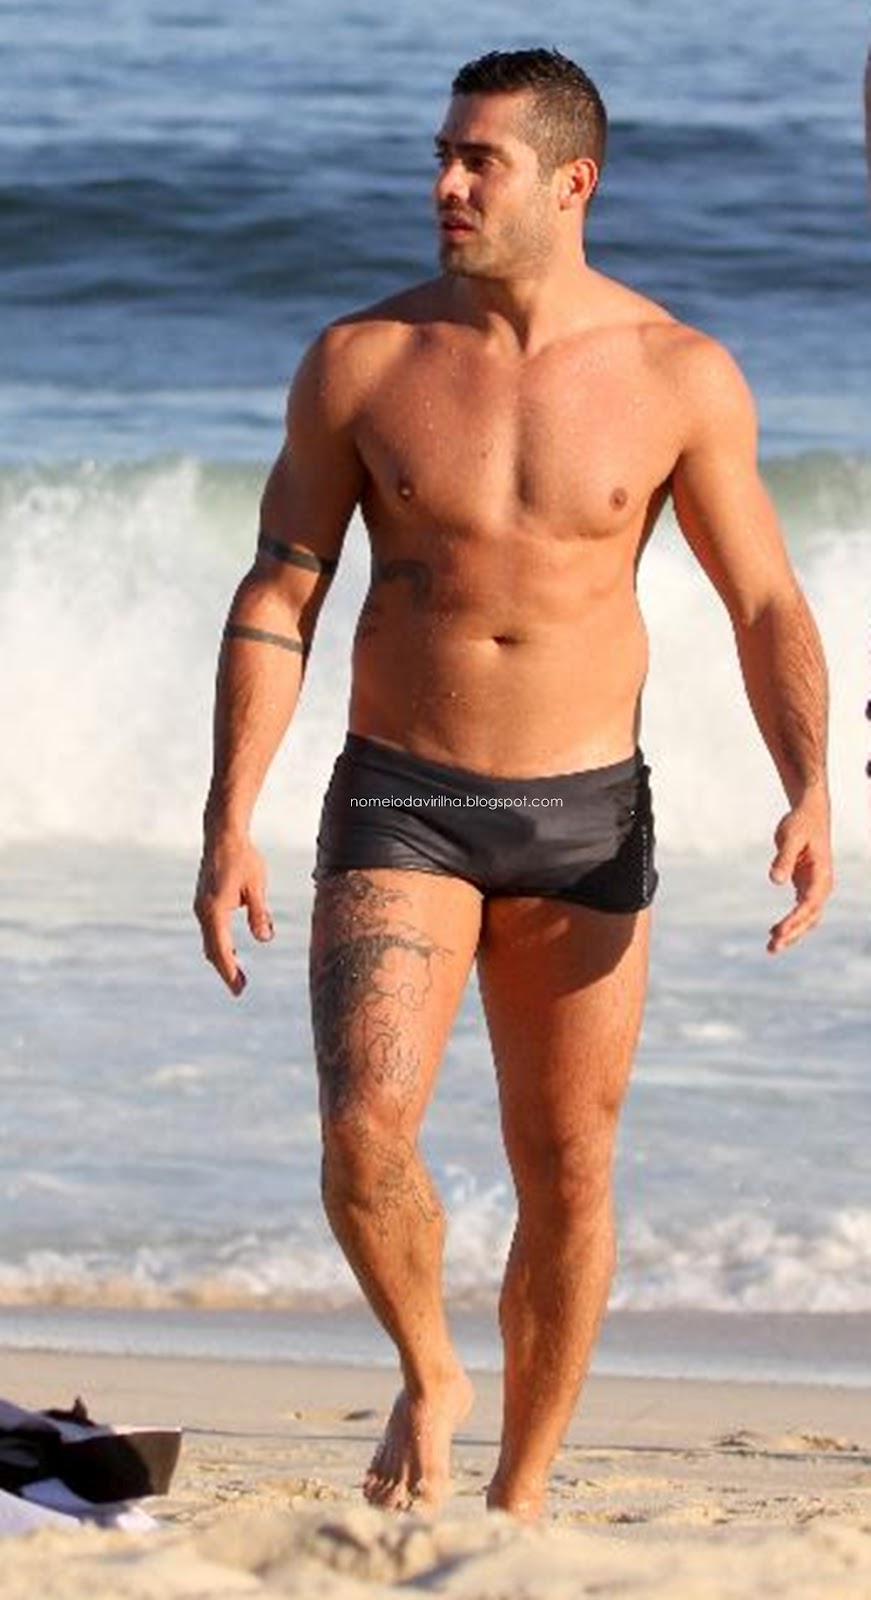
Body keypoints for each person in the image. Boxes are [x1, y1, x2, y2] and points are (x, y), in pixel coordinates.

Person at [194, 48, 833, 1521]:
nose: (446, 185)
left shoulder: (676, 374)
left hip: (584, 816)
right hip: (401, 800)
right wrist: (230, 814)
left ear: (571, 181)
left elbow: (764, 603)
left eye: (479, 160)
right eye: (442, 154)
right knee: (364, 1136)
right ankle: (433, 1372)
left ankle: (521, 1499)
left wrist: (808, 785)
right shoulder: (362, 360)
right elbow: (281, 591)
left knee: (570, 1170)